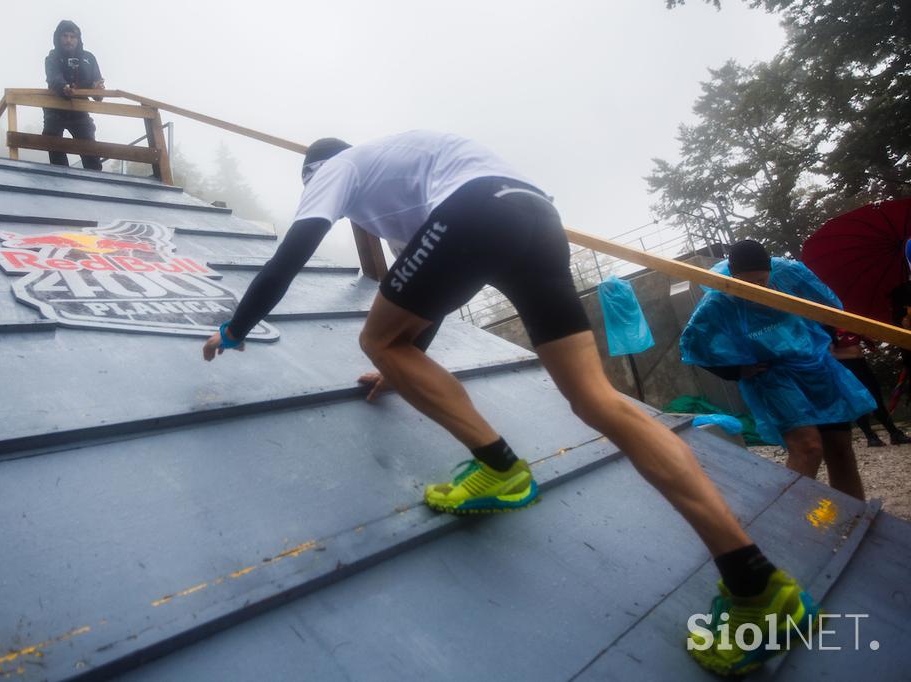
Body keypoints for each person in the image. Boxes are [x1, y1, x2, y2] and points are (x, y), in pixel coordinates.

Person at [201, 132, 820, 676]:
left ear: (315, 174)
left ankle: (499, 466)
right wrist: (403, 362)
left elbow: (293, 254)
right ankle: (755, 581)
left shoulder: (335, 167)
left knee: (374, 335)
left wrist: (236, 328)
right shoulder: (403, 170)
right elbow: (431, 298)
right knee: (595, 398)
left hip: (475, 215)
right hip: (535, 214)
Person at [681, 240, 875, 501]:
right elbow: (694, 343)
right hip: (772, 375)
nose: (756, 288)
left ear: (770, 268)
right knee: (807, 447)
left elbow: (827, 306)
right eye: (747, 284)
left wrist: (830, 340)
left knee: (840, 448)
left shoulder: (790, 274)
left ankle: (856, 521)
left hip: (816, 366)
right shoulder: (719, 299)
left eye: (761, 280)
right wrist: (736, 370)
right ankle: (788, 526)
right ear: (732, 274)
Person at [43, 20, 105, 171]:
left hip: (79, 110)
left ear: (78, 39)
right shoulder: (52, 58)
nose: (69, 40)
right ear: (58, 38)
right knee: (54, 145)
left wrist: (98, 90)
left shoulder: (89, 58)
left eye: (72, 36)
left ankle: (96, 184)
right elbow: (54, 78)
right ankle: (61, 181)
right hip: (55, 109)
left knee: (90, 152)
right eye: (65, 36)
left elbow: (97, 85)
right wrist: (64, 87)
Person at [832, 330, 911, 447]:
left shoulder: (851, 323)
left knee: (876, 398)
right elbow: (828, 353)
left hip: (861, 364)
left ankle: (894, 434)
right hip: (845, 367)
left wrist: (867, 339)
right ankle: (870, 436)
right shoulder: (828, 326)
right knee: (857, 402)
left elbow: (870, 342)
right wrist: (853, 353)